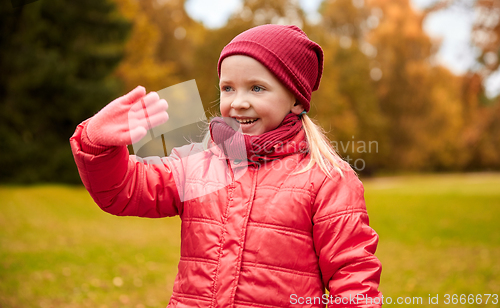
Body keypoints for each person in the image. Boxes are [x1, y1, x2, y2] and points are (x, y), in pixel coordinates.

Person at [70, 24, 382, 308]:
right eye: (228, 88)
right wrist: (98, 144)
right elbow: (125, 190)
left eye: (256, 88)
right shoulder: (198, 166)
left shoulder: (326, 178)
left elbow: (353, 279)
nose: (238, 102)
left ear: (296, 100)